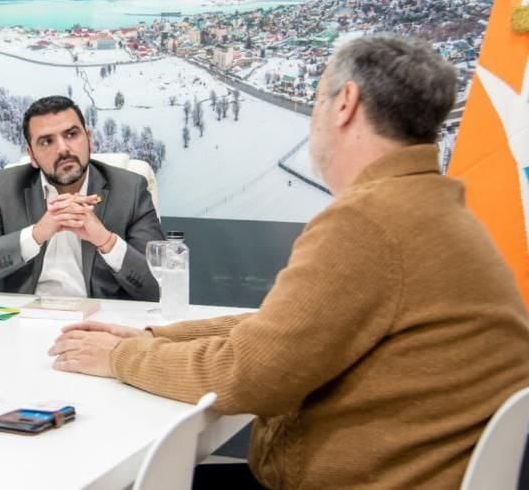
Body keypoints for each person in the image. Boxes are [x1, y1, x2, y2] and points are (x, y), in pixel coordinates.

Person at [48, 37, 529, 489]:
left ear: (346, 104)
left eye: (318, 101)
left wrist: (120, 359)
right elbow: (279, 330)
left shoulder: (369, 222)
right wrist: (155, 338)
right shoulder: (433, 209)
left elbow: (247, 374)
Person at [0, 95, 162, 300]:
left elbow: (159, 287)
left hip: (97, 326)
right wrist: (35, 235)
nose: (63, 149)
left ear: (88, 139)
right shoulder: (6, 187)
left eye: (71, 134)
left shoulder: (130, 189)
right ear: (32, 155)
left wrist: (106, 241)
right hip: (21, 322)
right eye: (46, 141)